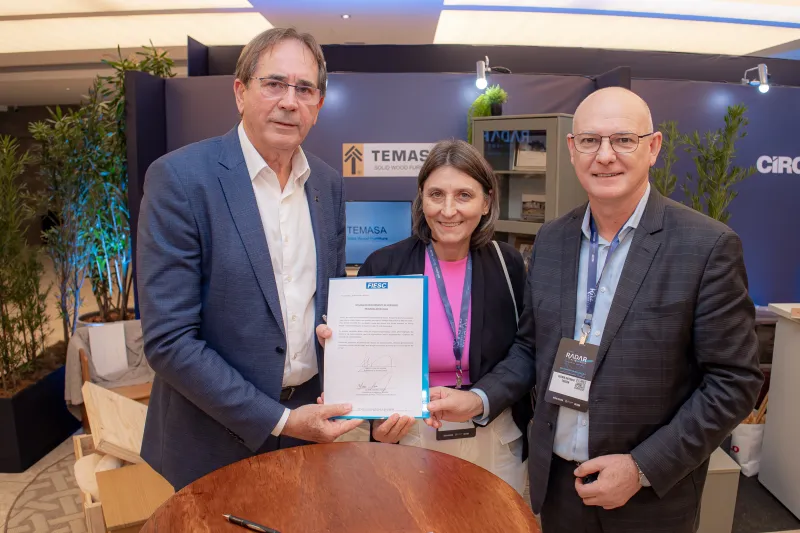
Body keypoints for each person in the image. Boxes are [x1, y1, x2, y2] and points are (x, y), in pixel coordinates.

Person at [425, 88, 764, 532]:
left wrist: (642, 467)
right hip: (560, 485)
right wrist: (479, 399)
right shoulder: (551, 241)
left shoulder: (705, 246)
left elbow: (734, 381)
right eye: (590, 141)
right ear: (572, 149)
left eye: (623, 139)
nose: (605, 156)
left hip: (648, 498)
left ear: (653, 147)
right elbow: (531, 348)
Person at [136, 28, 362, 490]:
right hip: (211, 440)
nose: (289, 101)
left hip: (309, 429)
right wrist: (279, 419)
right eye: (274, 83)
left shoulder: (327, 184)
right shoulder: (180, 180)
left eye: (304, 89)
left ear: (318, 105)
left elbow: (332, 302)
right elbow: (169, 341)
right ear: (241, 92)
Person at [317, 139, 531, 494]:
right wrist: (374, 418)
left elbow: (526, 353)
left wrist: (480, 397)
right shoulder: (384, 266)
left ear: (486, 201)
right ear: (421, 198)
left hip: (492, 433)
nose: (449, 210)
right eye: (436, 195)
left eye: (464, 195)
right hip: (411, 433)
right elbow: (364, 368)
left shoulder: (508, 265)